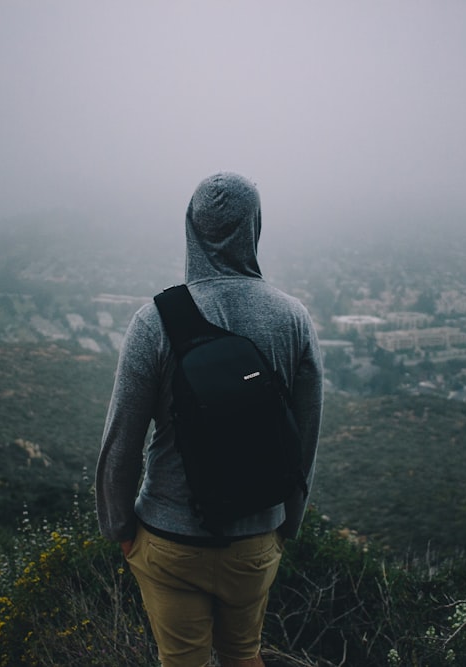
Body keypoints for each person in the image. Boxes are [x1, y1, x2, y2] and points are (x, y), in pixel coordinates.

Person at [96, 172, 323, 667]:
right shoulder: (293, 319)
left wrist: (121, 530)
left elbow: (121, 442)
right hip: (255, 540)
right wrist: (287, 525)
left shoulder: (154, 320)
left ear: (191, 228)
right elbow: (305, 440)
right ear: (254, 227)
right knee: (244, 656)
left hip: (168, 540)